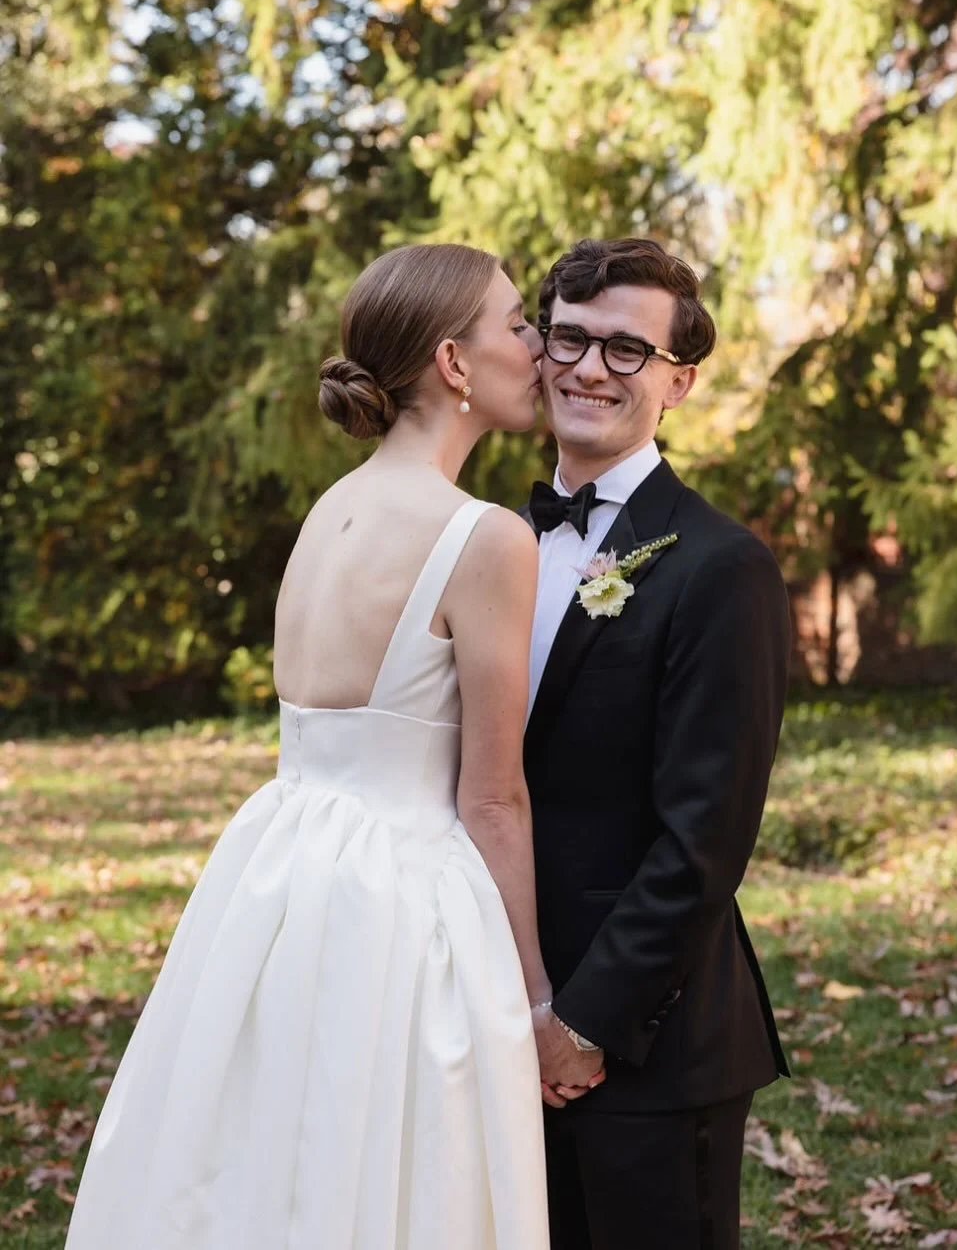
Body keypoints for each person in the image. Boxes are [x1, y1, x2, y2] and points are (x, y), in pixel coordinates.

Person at [65, 243, 603, 1250]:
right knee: (400, 1177)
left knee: (273, 1163)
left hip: (279, 877)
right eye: (516, 326)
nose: (537, 348)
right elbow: (492, 799)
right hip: (399, 899)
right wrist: (535, 1006)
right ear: (453, 363)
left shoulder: (329, 512)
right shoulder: (486, 537)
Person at [522, 238, 790, 1250]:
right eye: (572, 339)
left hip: (646, 1046)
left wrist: (583, 1023)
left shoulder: (721, 567)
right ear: (540, 350)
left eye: (626, 351)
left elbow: (703, 838)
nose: (590, 368)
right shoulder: (496, 541)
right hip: (495, 1024)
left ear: (676, 381)